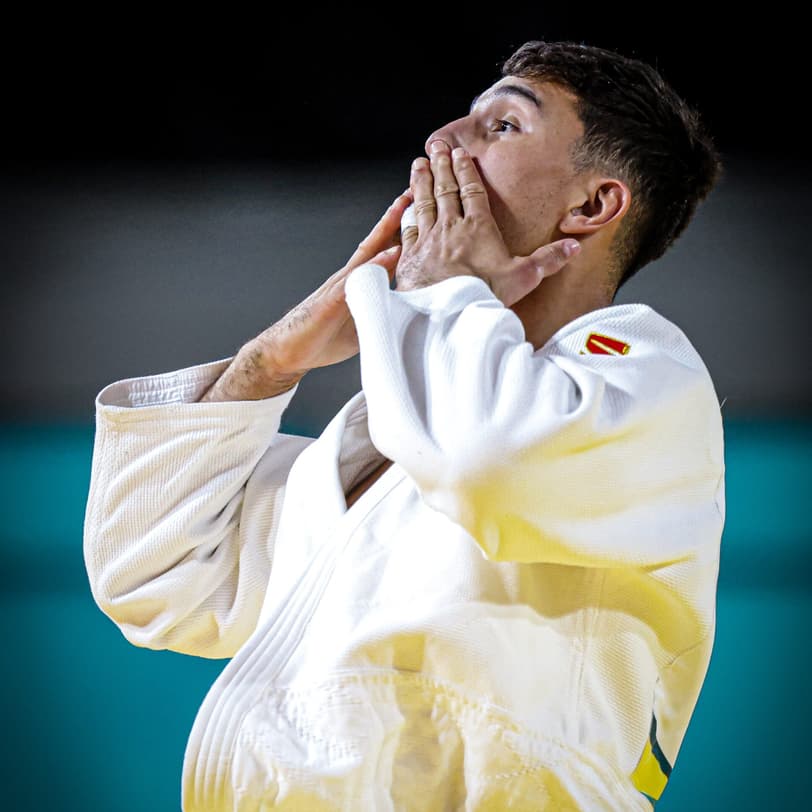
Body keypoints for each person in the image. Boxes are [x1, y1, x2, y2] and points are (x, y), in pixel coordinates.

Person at [83, 39, 726, 811]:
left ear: (591, 206)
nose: (443, 140)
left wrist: (443, 288)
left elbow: (485, 460)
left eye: (504, 127)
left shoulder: (647, 381)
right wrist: (272, 360)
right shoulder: (382, 446)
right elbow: (153, 576)